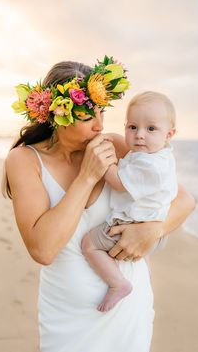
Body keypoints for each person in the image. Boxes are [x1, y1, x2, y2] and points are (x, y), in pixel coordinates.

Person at [2, 56, 195, 352]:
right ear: (58, 114)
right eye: (87, 116)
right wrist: (87, 177)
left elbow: (184, 200)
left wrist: (153, 230)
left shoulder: (117, 145)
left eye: (102, 112)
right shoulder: (25, 160)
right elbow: (43, 249)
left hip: (129, 313)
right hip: (67, 321)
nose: (100, 125)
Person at [81, 91, 178, 313]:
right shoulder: (160, 155)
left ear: (169, 134)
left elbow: (118, 182)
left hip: (132, 227)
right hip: (153, 227)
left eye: (151, 128)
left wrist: (103, 162)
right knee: (140, 257)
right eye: (132, 127)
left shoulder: (149, 165)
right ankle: (146, 271)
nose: (140, 135)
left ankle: (118, 283)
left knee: (89, 244)